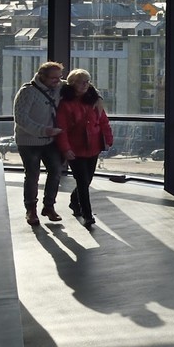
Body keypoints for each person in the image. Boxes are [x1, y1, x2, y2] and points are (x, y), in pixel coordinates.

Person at [55, 68, 113, 229]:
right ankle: (87, 215)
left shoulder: (94, 100)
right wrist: (66, 149)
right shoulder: (66, 104)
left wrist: (108, 139)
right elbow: (62, 129)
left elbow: (103, 122)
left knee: (87, 180)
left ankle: (75, 202)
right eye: (82, 82)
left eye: (88, 81)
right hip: (76, 148)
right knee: (82, 181)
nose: (86, 85)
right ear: (72, 83)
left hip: (93, 146)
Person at [14, 61, 67, 225]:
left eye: (59, 77)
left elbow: (81, 84)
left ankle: (49, 206)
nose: (57, 81)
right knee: (32, 175)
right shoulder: (27, 92)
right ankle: (31, 210)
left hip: (50, 140)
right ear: (42, 76)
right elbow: (21, 118)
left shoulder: (59, 86)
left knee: (56, 171)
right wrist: (43, 130)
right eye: (53, 78)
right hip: (29, 142)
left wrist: (98, 98)